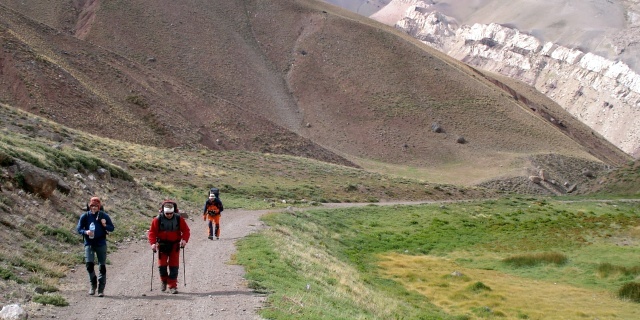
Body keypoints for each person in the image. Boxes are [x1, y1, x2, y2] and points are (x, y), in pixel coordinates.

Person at [148, 199, 190, 294]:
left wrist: (184, 240)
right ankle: (164, 281)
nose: (169, 215)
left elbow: (186, 230)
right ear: (163, 211)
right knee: (162, 266)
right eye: (167, 213)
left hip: (175, 245)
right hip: (162, 245)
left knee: (174, 266)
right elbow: (152, 232)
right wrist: (153, 243)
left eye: (171, 213)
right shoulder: (157, 219)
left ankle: (172, 286)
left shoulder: (179, 219)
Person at [76, 196, 115, 297]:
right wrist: (86, 232)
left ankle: (101, 290)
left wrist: (105, 225)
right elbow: (79, 229)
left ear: (99, 207)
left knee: (102, 266)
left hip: (101, 243)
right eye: (92, 206)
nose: (93, 208)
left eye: (96, 206)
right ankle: (93, 285)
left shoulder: (104, 216)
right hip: (89, 243)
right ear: (89, 206)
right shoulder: (85, 216)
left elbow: (112, 228)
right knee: (89, 265)